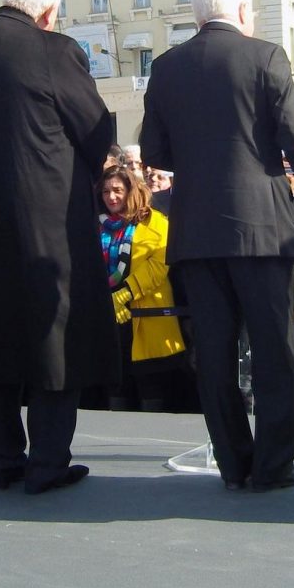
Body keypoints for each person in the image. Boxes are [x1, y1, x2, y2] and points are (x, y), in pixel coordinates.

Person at [141, 0, 294, 492]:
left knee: (214, 354)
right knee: (273, 349)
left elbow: (153, 151)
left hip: (195, 231)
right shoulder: (265, 56)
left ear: (197, 15)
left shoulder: (167, 67)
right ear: (242, 12)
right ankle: (274, 464)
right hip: (261, 227)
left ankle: (234, 463)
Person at [0, 0, 114, 494]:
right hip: (47, 219)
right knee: (53, 333)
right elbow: (96, 129)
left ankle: (0, 458)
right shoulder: (55, 50)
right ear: (48, 10)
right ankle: (46, 461)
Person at [98, 164, 189, 412]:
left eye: (117, 190)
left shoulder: (155, 221)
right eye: (105, 192)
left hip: (148, 319)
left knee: (151, 389)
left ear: (131, 191)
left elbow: (158, 266)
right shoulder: (96, 225)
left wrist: (125, 293)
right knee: (116, 389)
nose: (111, 197)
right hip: (110, 322)